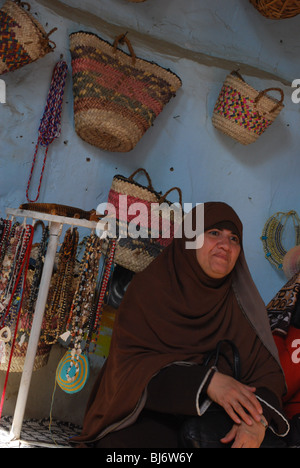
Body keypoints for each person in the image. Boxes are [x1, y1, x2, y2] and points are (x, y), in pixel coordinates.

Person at [72, 202, 289, 448]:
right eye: (214, 233)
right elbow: (128, 369)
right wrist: (207, 382)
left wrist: (255, 421)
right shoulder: (150, 290)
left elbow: (269, 376)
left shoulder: (243, 306)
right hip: (146, 415)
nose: (225, 245)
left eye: (234, 239)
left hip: (212, 423)